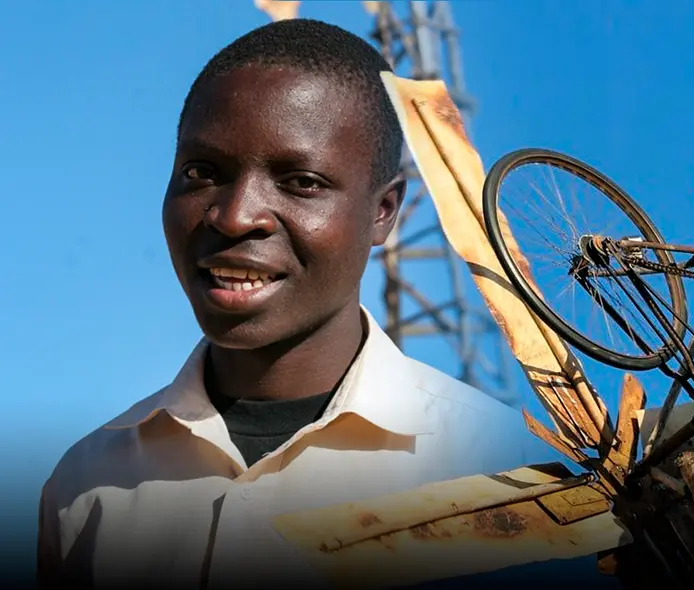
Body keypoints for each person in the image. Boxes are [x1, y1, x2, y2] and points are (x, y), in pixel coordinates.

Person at [37, 19, 544, 589]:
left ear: (383, 211)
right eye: (202, 172)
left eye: (301, 182)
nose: (234, 215)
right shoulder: (87, 484)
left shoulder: (507, 474)